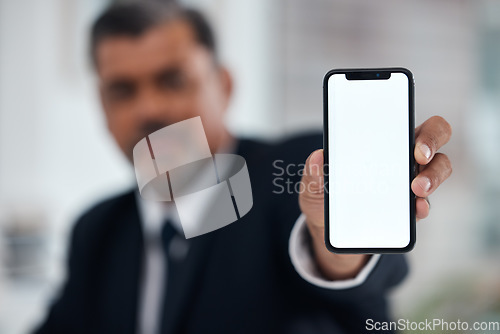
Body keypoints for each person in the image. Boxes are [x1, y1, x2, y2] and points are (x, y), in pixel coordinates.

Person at [33, 2, 452, 334]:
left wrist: (336, 244)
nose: (149, 109)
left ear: (226, 86)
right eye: (122, 91)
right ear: (102, 108)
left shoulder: (295, 169)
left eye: (173, 80)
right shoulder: (97, 230)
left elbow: (347, 270)